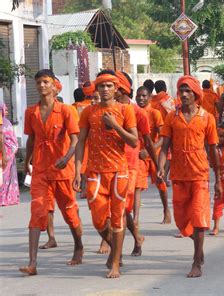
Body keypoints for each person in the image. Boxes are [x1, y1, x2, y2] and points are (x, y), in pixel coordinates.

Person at [74, 70, 138, 278]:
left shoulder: (125, 111)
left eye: (109, 86)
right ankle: (116, 250)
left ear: (117, 88)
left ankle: (116, 262)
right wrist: (77, 170)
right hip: (94, 172)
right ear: (97, 89)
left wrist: (115, 125)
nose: (105, 89)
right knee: (98, 220)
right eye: (102, 86)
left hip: (119, 172)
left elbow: (134, 141)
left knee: (118, 219)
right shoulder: (88, 112)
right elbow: (81, 141)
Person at [20, 69, 84, 276]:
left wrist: (67, 159)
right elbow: (31, 139)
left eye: (45, 82)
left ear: (54, 85)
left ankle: (78, 246)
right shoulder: (31, 112)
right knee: (37, 211)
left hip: (62, 170)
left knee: (70, 213)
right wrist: (27, 161)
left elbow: (75, 139)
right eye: (39, 82)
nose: (42, 86)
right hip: (40, 169)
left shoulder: (66, 110)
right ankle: (32, 263)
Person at [157, 75, 221, 278]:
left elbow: (212, 150)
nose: (183, 94)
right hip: (178, 174)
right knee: (182, 220)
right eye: (181, 91)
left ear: (196, 94)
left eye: (188, 91)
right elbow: (164, 146)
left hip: (200, 174)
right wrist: (161, 168)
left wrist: (218, 179)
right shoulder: (171, 117)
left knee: (199, 218)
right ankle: (199, 247)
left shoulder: (207, 118)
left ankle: (196, 262)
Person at [115, 71, 160, 257]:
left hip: (131, 164)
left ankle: (116, 254)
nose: (106, 90)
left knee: (122, 207)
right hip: (110, 164)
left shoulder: (139, 113)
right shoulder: (105, 110)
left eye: (112, 86)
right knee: (113, 208)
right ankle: (136, 237)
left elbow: (148, 142)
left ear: (121, 89)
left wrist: (158, 167)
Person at [136, 86, 171, 224]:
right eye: (138, 96)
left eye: (144, 96)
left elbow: (163, 137)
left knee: (160, 183)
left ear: (150, 97)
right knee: (137, 186)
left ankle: (166, 210)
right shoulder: (133, 112)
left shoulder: (155, 113)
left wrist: (151, 149)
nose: (141, 98)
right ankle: (136, 218)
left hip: (154, 155)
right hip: (140, 155)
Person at [0, 102, 19, 206]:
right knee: (4, 175)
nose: (6, 110)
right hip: (4, 153)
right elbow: (2, 138)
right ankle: (3, 198)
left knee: (8, 175)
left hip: (9, 152)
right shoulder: (1, 122)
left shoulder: (6, 121)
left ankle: (10, 197)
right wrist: (4, 154)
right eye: (4, 109)